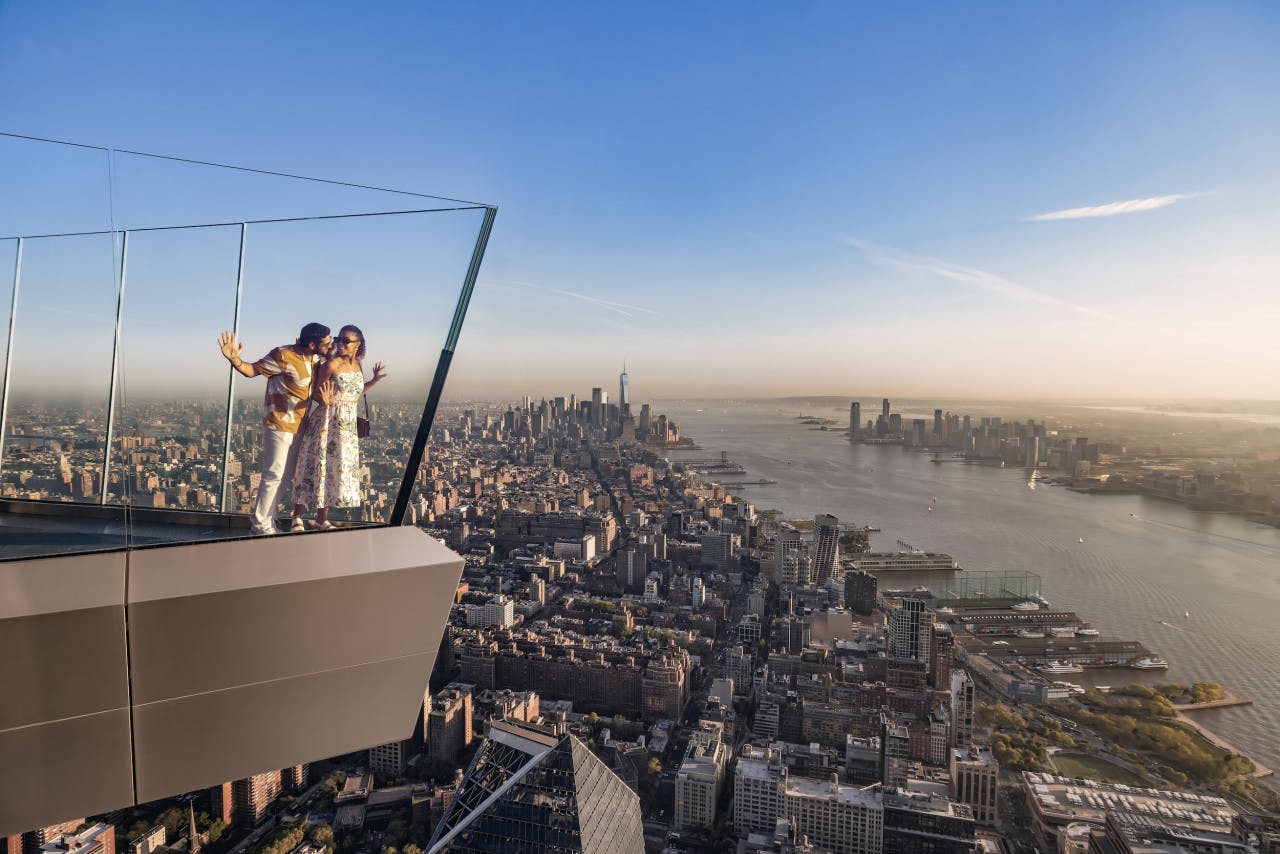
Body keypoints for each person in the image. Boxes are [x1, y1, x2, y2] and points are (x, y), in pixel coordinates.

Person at [218, 323, 332, 535]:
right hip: (279, 425)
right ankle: (260, 526)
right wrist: (234, 359)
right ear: (312, 344)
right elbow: (252, 370)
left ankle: (268, 519)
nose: (330, 345)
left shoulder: (315, 359)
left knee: (286, 477)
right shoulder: (283, 355)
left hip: (300, 426)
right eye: (326, 343)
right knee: (273, 475)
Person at [290, 325, 387, 530]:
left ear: (358, 344)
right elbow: (316, 392)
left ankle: (321, 519)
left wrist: (374, 380)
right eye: (338, 339)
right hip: (326, 421)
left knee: (332, 471)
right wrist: (323, 399)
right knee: (313, 465)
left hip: (346, 427)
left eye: (346, 340)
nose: (340, 343)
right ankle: (296, 516)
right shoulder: (331, 364)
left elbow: (355, 392)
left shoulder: (358, 365)